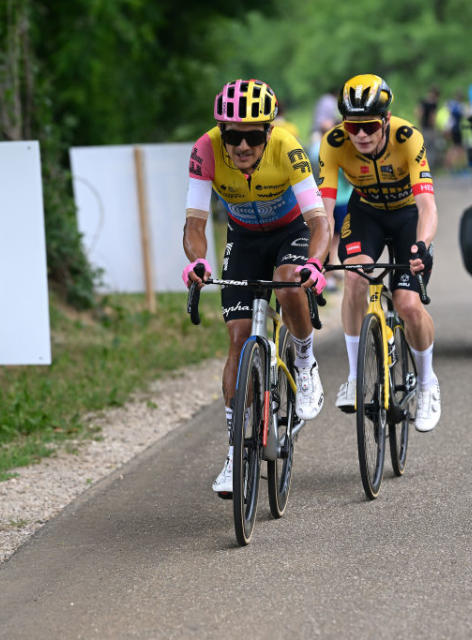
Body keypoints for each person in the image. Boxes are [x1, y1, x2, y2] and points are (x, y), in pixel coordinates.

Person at [182, 79, 331, 496]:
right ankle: (235, 452)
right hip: (244, 238)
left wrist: (315, 264)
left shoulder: (288, 148)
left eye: (251, 136)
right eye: (233, 135)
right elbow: (195, 223)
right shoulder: (205, 150)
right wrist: (197, 260)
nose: (242, 146)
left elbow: (320, 221)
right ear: (221, 134)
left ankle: (304, 362)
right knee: (238, 338)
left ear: (268, 131)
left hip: (291, 232)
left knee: (287, 284)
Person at [318, 74, 441, 433]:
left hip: (407, 217)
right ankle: (355, 378)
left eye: (369, 126)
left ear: (385, 120)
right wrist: (321, 254)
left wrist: (421, 245)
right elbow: (324, 209)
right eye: (352, 126)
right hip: (367, 213)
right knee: (355, 277)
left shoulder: (407, 137)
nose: (360, 136)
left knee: (408, 304)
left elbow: (427, 205)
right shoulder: (334, 142)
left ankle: (428, 383)